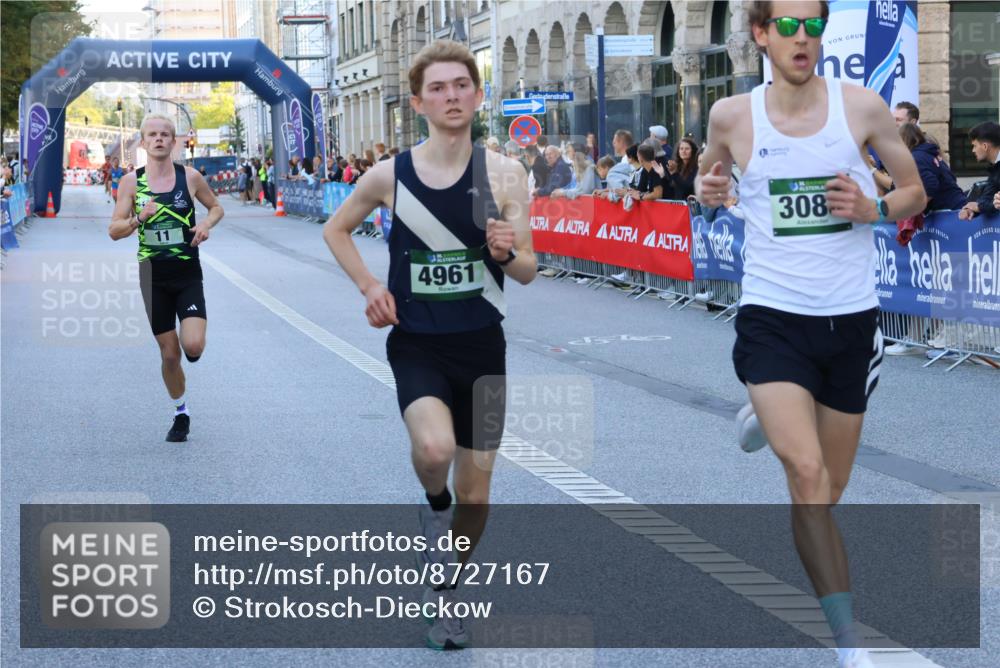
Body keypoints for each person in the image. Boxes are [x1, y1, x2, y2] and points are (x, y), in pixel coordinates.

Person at [695, 3, 925, 667]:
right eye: (788, 26)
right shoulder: (732, 117)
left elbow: (914, 192)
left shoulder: (863, 107)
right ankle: (849, 642)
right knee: (805, 473)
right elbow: (707, 185)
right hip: (773, 317)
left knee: (827, 492)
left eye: (814, 25)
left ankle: (766, 414)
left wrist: (873, 208)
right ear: (761, 34)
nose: (804, 38)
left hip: (851, 321)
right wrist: (708, 194)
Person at [322, 39, 535, 650]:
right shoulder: (392, 173)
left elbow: (529, 271)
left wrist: (506, 252)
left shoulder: (505, 173)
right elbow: (337, 230)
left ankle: (450, 583)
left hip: (483, 348)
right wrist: (369, 286)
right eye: (437, 88)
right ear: (418, 101)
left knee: (478, 495)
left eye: (461, 85)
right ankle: (431, 503)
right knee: (436, 449)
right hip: (417, 343)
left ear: (477, 94)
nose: (451, 96)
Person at [108, 113, 224, 442]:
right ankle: (181, 412)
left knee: (192, 345)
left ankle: (192, 348)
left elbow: (216, 208)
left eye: (165, 134)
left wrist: (205, 224)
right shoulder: (131, 182)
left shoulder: (190, 177)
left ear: (174, 142)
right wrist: (137, 219)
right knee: (169, 354)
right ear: (142, 143)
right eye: (152, 135)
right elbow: (114, 230)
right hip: (153, 277)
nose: (159, 139)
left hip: (187, 273)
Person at [899, 124, 966, 212]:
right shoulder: (930, 155)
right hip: (957, 205)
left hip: (948, 212)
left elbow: (930, 184)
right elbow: (950, 177)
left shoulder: (916, 157)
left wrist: (916, 208)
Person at [958, 121, 1000, 221]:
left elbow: (995, 204)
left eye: (975, 145)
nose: (973, 150)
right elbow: (988, 196)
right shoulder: (995, 168)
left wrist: (979, 207)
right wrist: (973, 208)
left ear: (985, 146)